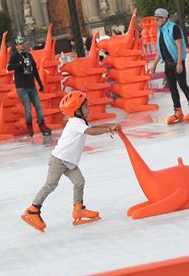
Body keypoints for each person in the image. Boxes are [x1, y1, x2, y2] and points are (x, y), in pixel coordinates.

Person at [21, 91, 121, 232]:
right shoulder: (76, 123)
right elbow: (91, 132)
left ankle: (78, 209)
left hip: (69, 162)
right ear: (76, 110)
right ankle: (33, 210)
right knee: (50, 184)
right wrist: (109, 129)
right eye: (85, 107)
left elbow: (93, 128)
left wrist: (112, 125)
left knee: (79, 182)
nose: (88, 109)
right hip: (59, 160)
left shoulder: (81, 122)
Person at [149, 8, 189, 125]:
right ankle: (178, 111)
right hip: (167, 63)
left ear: (164, 18)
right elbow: (159, 50)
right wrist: (154, 65)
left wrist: (179, 62)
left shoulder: (174, 28)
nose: (156, 22)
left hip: (177, 62)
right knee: (172, 88)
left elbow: (179, 45)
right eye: (155, 20)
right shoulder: (160, 31)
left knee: (183, 85)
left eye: (157, 19)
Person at [7, 36, 51, 137]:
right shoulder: (15, 56)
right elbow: (9, 67)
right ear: (17, 46)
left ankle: (42, 125)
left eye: (23, 43)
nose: (22, 45)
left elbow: (35, 71)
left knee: (38, 107)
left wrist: (40, 84)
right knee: (28, 107)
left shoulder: (29, 56)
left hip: (31, 85)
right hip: (22, 87)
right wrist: (19, 63)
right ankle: (29, 126)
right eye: (20, 44)